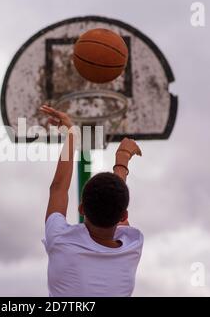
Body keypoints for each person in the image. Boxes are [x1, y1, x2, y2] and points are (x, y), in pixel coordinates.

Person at [40, 104, 144, 297]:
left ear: (81, 209)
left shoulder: (61, 240)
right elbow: (114, 202)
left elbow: (58, 188)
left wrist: (71, 135)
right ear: (123, 215)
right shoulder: (132, 247)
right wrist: (122, 159)